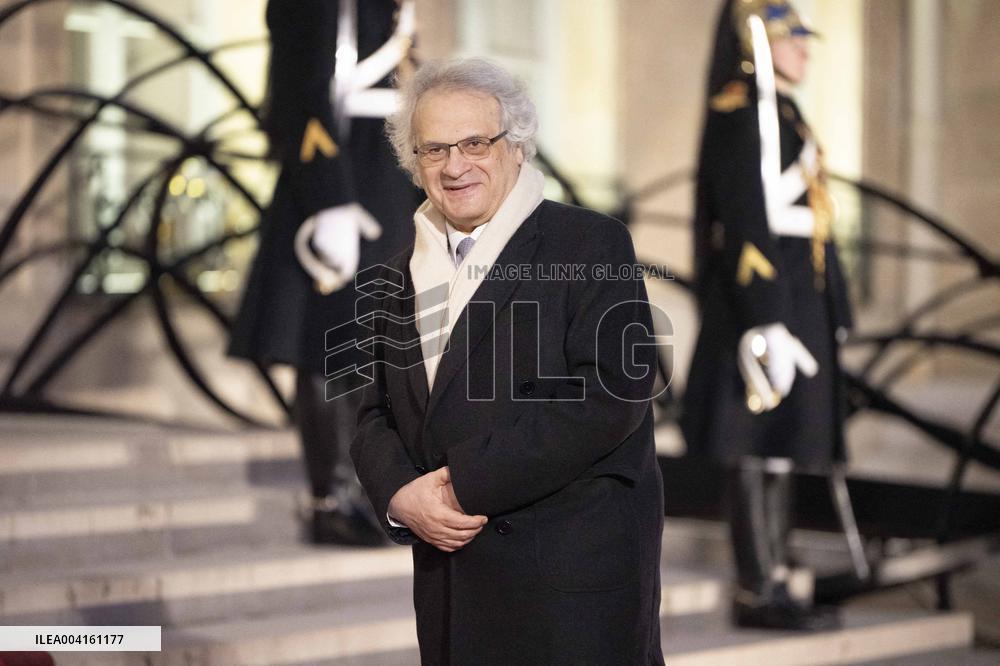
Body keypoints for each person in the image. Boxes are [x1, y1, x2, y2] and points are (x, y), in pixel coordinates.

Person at [350, 58, 665, 664]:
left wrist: (462, 483)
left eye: (475, 143)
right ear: (414, 163)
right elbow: (370, 413)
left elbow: (611, 395)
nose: (454, 166)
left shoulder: (589, 243)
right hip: (452, 584)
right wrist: (398, 495)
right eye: (434, 149)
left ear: (516, 146)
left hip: (568, 586)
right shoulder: (392, 275)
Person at [682, 0, 854, 631]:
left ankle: (778, 576)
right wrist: (766, 317)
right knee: (756, 442)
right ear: (759, 45)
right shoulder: (740, 112)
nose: (805, 51)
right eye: (792, 40)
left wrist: (835, 304)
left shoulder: (784, 113)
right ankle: (757, 587)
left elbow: (817, 219)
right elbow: (746, 221)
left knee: (784, 444)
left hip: (798, 298)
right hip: (763, 301)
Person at [229, 0, 420, 546]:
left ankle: (369, 491)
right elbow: (299, 94)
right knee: (332, 344)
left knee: (378, 345)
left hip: (385, 176)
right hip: (340, 178)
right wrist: (330, 198)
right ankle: (332, 498)